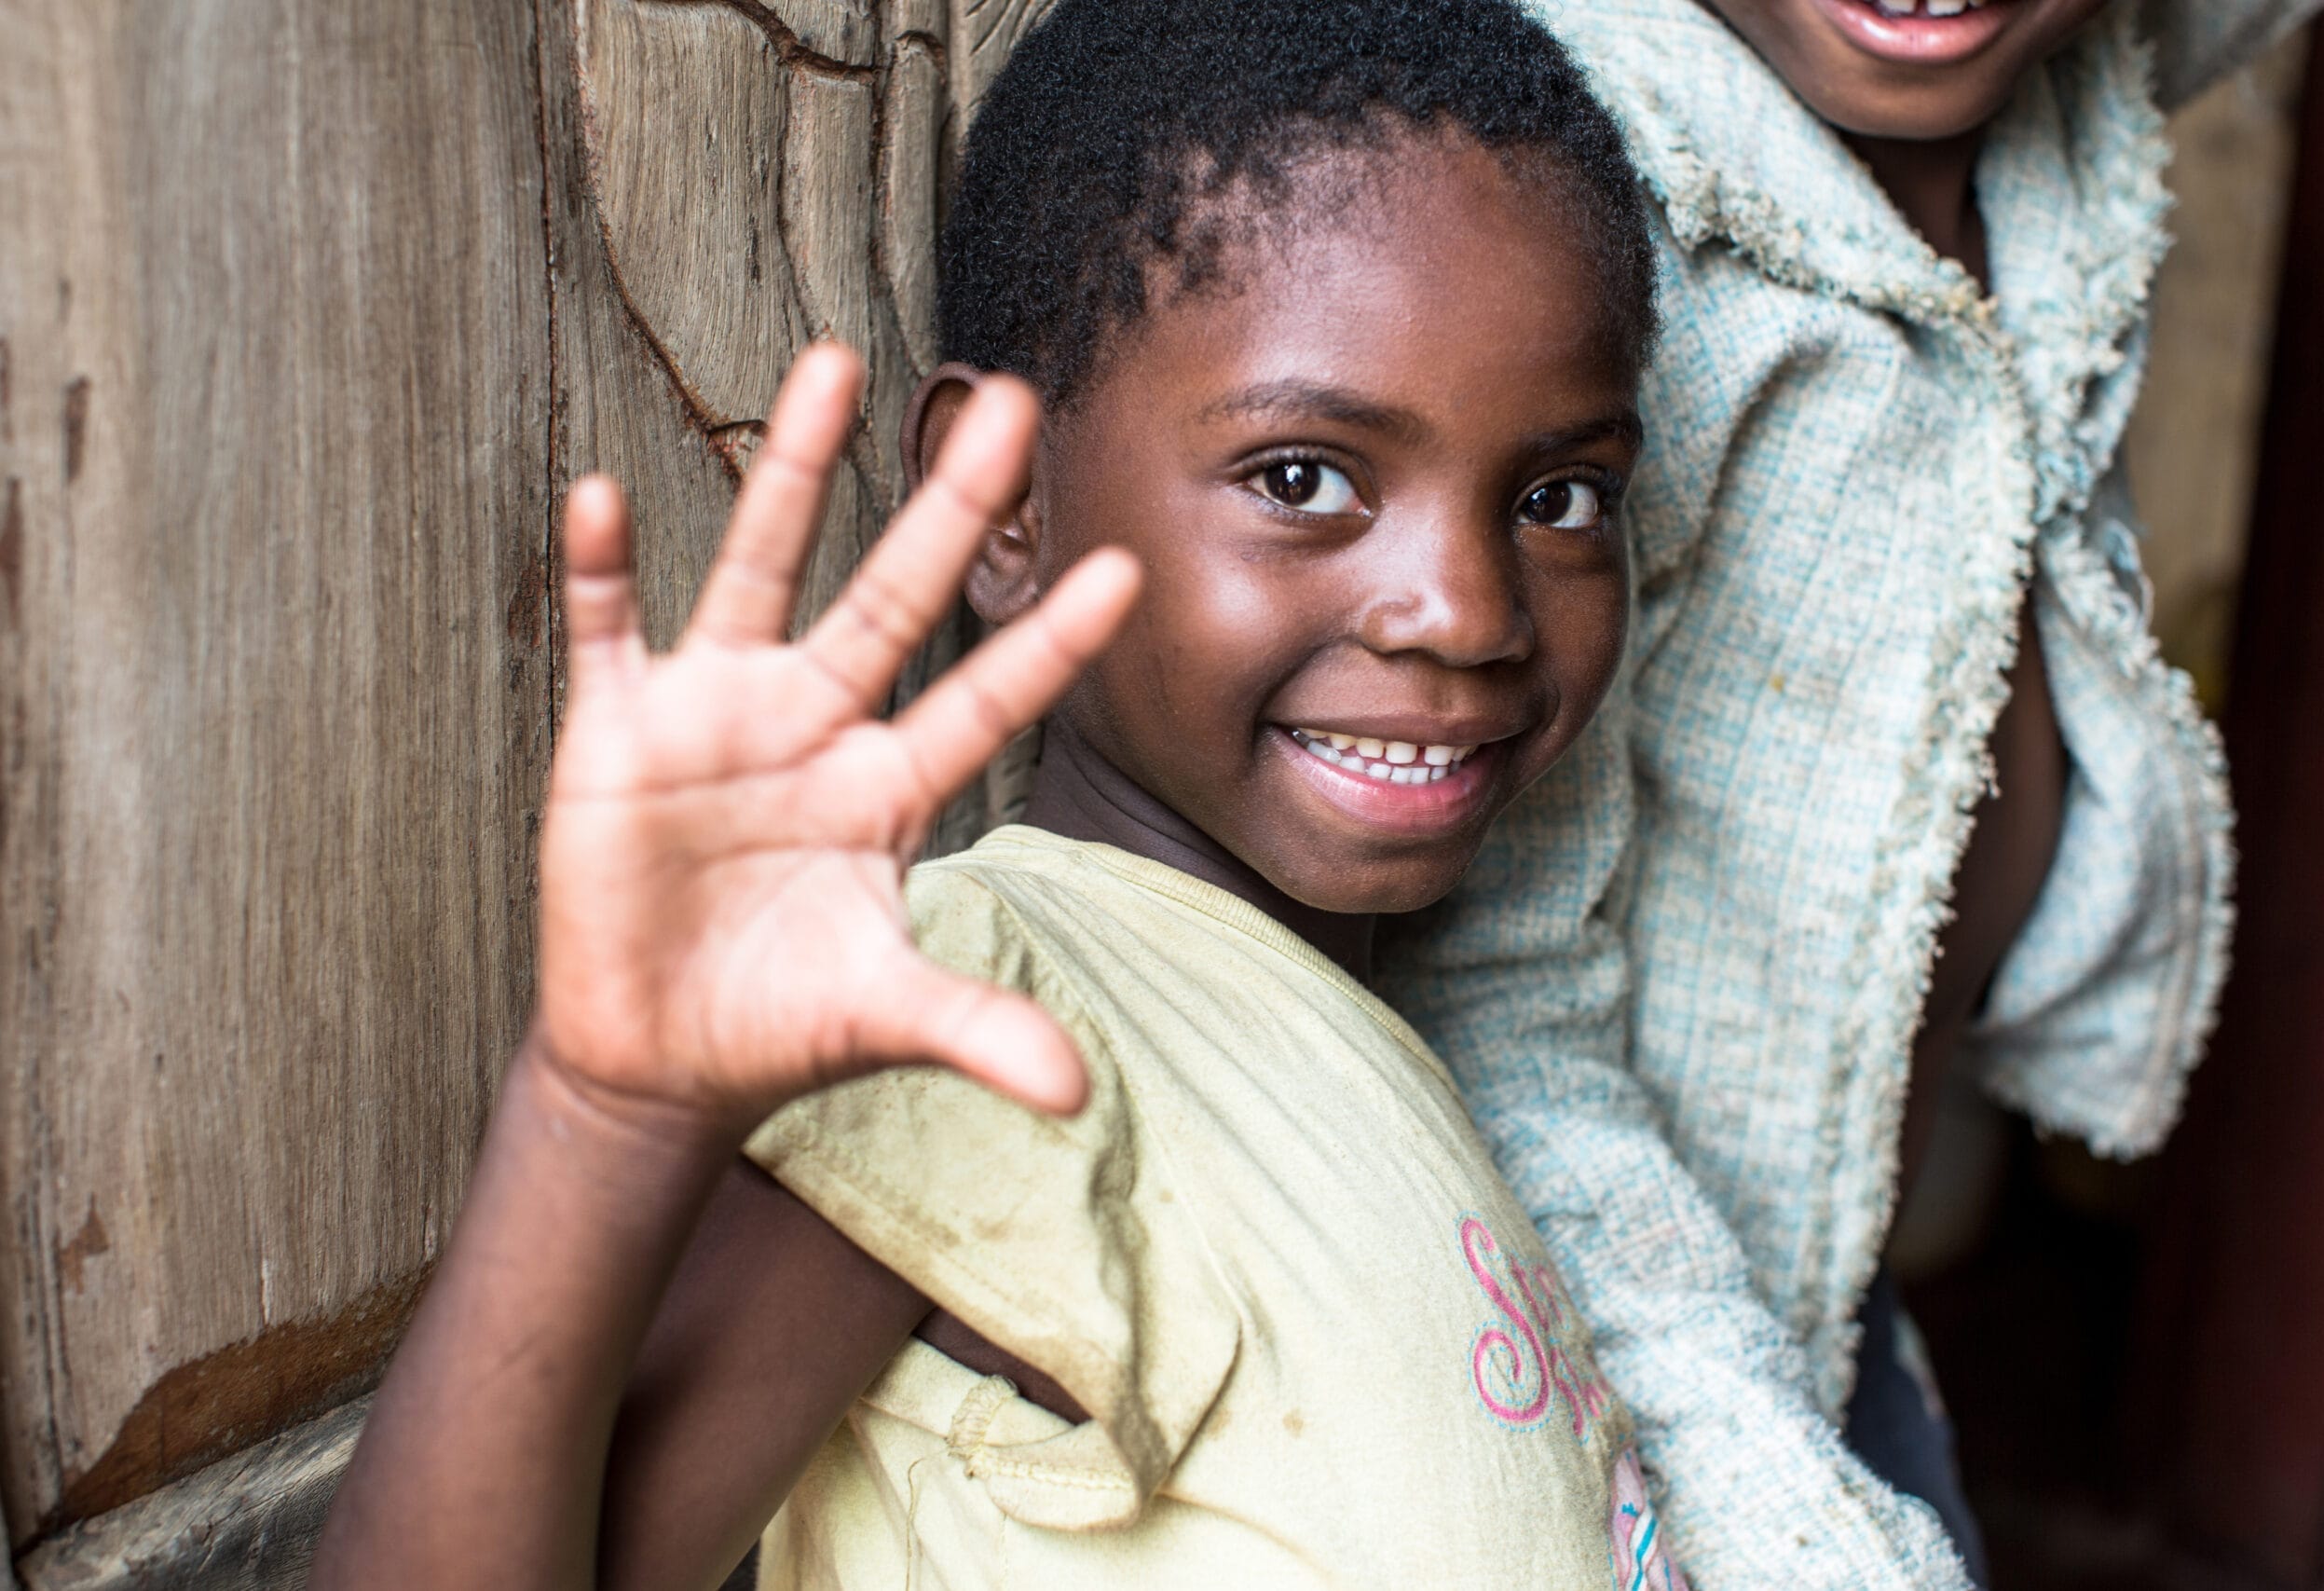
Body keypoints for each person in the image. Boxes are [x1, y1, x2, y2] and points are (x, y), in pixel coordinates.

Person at [309, 3, 1692, 1586]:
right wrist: (596, 1119)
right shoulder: (980, 1008)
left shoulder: (1333, 1043)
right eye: (1303, 478)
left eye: (1557, 496)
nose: (1463, 609)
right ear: (1012, 504)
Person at [1377, 0, 2324, 1584]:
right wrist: (1769, 1502)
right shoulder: (1586, 210)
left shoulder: (2066, 105)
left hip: (1829, 1274)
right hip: (1604, 1343)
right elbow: (1483, 1001)